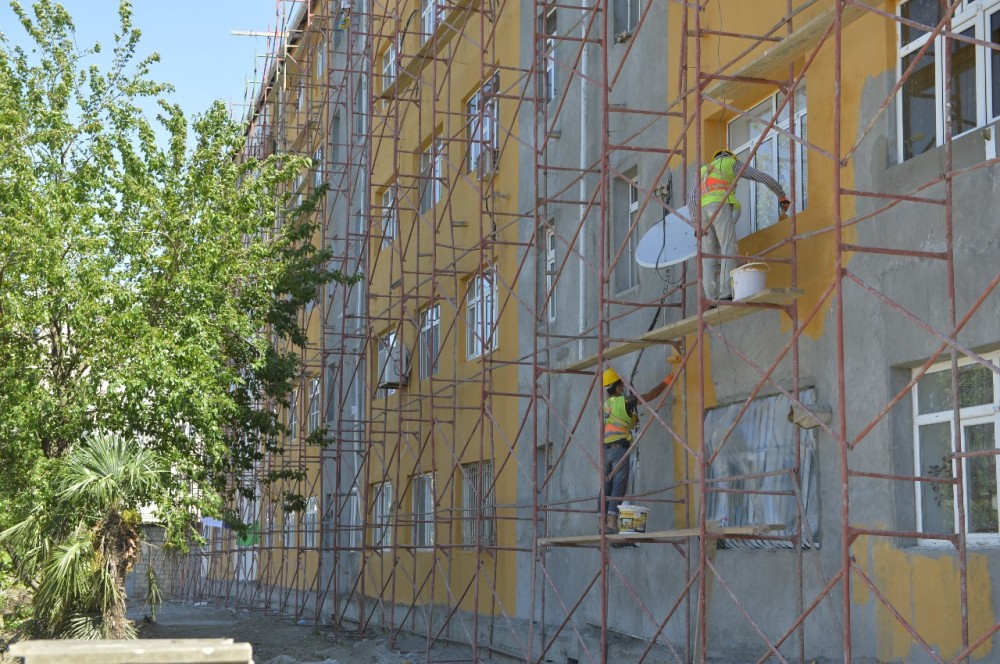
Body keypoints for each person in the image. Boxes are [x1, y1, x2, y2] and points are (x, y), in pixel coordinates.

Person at [687, 149, 790, 303]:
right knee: (728, 248)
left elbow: (693, 197)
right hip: (719, 207)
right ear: (730, 156)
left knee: (708, 257)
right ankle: (725, 294)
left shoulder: (704, 170)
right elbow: (760, 176)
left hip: (703, 213)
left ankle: (711, 299)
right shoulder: (731, 163)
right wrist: (781, 195)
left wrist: (695, 221)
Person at [599, 362, 677, 534]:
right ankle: (612, 521)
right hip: (619, 449)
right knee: (619, 485)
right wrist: (667, 381)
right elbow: (649, 396)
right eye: (622, 386)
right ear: (619, 387)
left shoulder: (605, 406)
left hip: (606, 451)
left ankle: (601, 521)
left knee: (606, 486)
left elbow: (627, 419)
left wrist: (631, 409)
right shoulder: (623, 401)